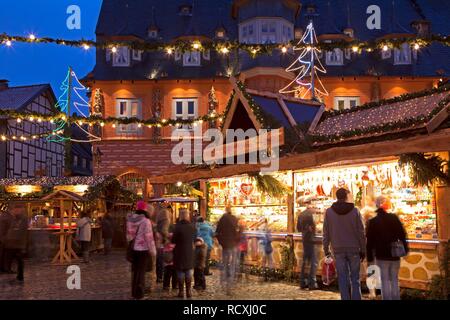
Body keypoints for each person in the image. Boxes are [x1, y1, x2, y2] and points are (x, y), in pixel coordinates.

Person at [323, 188, 366, 300]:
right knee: (355, 278)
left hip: (337, 249)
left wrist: (326, 249)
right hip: (354, 249)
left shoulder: (329, 212)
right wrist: (363, 249)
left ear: (337, 197)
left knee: (342, 278)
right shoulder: (355, 211)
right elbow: (361, 232)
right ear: (346, 196)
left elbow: (326, 233)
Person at [366, 196, 409, 300]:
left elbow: (369, 241)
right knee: (394, 279)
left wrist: (370, 256)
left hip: (381, 255)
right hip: (394, 254)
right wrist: (405, 248)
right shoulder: (394, 218)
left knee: (384, 280)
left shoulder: (373, 222)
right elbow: (402, 234)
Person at [127, 201, 157, 300]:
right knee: (141, 272)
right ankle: (139, 295)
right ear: (144, 209)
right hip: (143, 249)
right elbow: (149, 237)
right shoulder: (146, 221)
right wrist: (153, 251)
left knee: (135, 271)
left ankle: (134, 293)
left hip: (133, 249)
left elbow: (128, 236)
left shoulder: (130, 220)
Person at [172, 208, 196, 298]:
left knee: (180, 271)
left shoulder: (177, 227)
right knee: (189, 271)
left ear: (180, 216)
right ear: (187, 216)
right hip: (189, 251)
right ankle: (189, 291)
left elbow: (173, 240)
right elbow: (195, 238)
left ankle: (181, 291)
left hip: (179, 251)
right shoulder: (192, 227)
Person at [216, 206, 240, 293]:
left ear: (225, 211)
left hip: (225, 245)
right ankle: (230, 284)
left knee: (225, 263)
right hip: (233, 245)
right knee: (233, 264)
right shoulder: (235, 219)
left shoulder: (222, 219)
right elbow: (238, 231)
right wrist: (236, 241)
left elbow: (217, 232)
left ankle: (223, 282)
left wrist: (221, 242)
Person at [3, 202, 28, 282]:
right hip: (11, 242)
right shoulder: (14, 217)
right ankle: (14, 273)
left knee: (19, 259)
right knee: (11, 258)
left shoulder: (23, 218)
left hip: (17, 243)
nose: (16, 211)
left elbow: (22, 232)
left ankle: (20, 276)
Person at [297, 204, 318, 290]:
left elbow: (298, 228)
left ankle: (302, 282)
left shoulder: (301, 214)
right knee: (314, 262)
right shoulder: (310, 215)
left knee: (304, 262)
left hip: (304, 239)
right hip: (311, 240)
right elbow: (313, 227)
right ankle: (312, 283)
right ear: (311, 207)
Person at [156, 208, 171, 283]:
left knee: (158, 262)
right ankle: (160, 277)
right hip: (162, 245)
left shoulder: (157, 223)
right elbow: (164, 232)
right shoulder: (166, 222)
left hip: (156, 244)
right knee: (161, 262)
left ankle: (158, 276)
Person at [0, 209, 14, 273]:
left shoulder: (3, 216)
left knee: (3, 255)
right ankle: (7, 269)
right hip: (5, 239)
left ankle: (3, 269)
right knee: (7, 255)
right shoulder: (8, 217)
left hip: (3, 238)